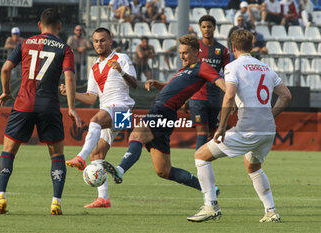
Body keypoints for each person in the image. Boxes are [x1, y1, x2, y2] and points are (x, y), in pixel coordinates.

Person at [187, 29, 292, 223]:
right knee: (253, 166)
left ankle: (211, 205)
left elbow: (229, 95)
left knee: (201, 156)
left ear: (232, 47)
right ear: (251, 46)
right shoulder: (265, 67)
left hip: (248, 129)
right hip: (268, 129)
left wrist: (221, 127)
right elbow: (286, 95)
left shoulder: (233, 67)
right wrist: (271, 115)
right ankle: (271, 211)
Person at [102, 35, 226, 197]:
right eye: (180, 52)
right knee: (163, 170)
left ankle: (119, 170)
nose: (182, 56)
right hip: (164, 112)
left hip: (163, 111)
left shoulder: (202, 67)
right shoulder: (185, 69)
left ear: (196, 52)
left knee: (136, 135)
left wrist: (232, 98)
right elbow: (173, 87)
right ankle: (209, 189)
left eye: (186, 53)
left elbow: (221, 82)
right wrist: (156, 83)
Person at [0, 8, 82, 215]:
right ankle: (56, 202)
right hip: (49, 106)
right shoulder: (64, 48)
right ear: (60, 26)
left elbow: (5, 68)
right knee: (57, 154)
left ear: (39, 25)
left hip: (23, 103)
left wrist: (7, 92)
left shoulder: (25, 43)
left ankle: (1, 196)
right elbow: (69, 78)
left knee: (8, 151)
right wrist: (71, 107)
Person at [63, 27, 137, 208]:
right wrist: (71, 93)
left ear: (111, 40)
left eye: (103, 40)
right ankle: (103, 198)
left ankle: (80, 157)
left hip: (122, 108)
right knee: (97, 154)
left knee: (95, 120)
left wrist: (121, 71)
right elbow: (90, 97)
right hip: (109, 111)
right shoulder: (94, 67)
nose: (99, 44)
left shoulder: (122, 58)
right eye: (96, 41)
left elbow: (135, 84)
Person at [189, 15, 230, 151]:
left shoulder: (222, 50)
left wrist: (233, 97)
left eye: (209, 26)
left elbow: (228, 75)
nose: (207, 29)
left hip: (214, 97)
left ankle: (205, 167)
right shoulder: (195, 48)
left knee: (212, 136)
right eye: (204, 27)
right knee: (201, 134)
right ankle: (198, 164)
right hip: (197, 97)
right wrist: (184, 98)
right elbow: (187, 73)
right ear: (200, 29)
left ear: (214, 28)